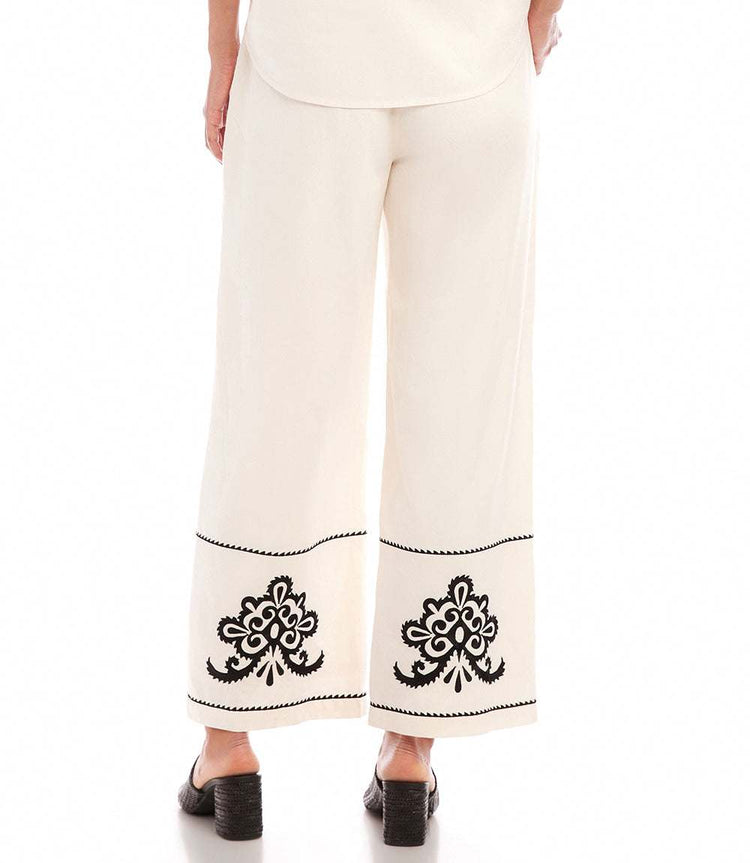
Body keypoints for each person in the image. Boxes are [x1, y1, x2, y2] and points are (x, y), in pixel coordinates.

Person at [178, 0, 562, 846]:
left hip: (307, 59)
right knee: (461, 396)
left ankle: (229, 739)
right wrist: (543, 11)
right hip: (476, 63)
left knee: (274, 390)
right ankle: (412, 749)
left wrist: (220, 49)